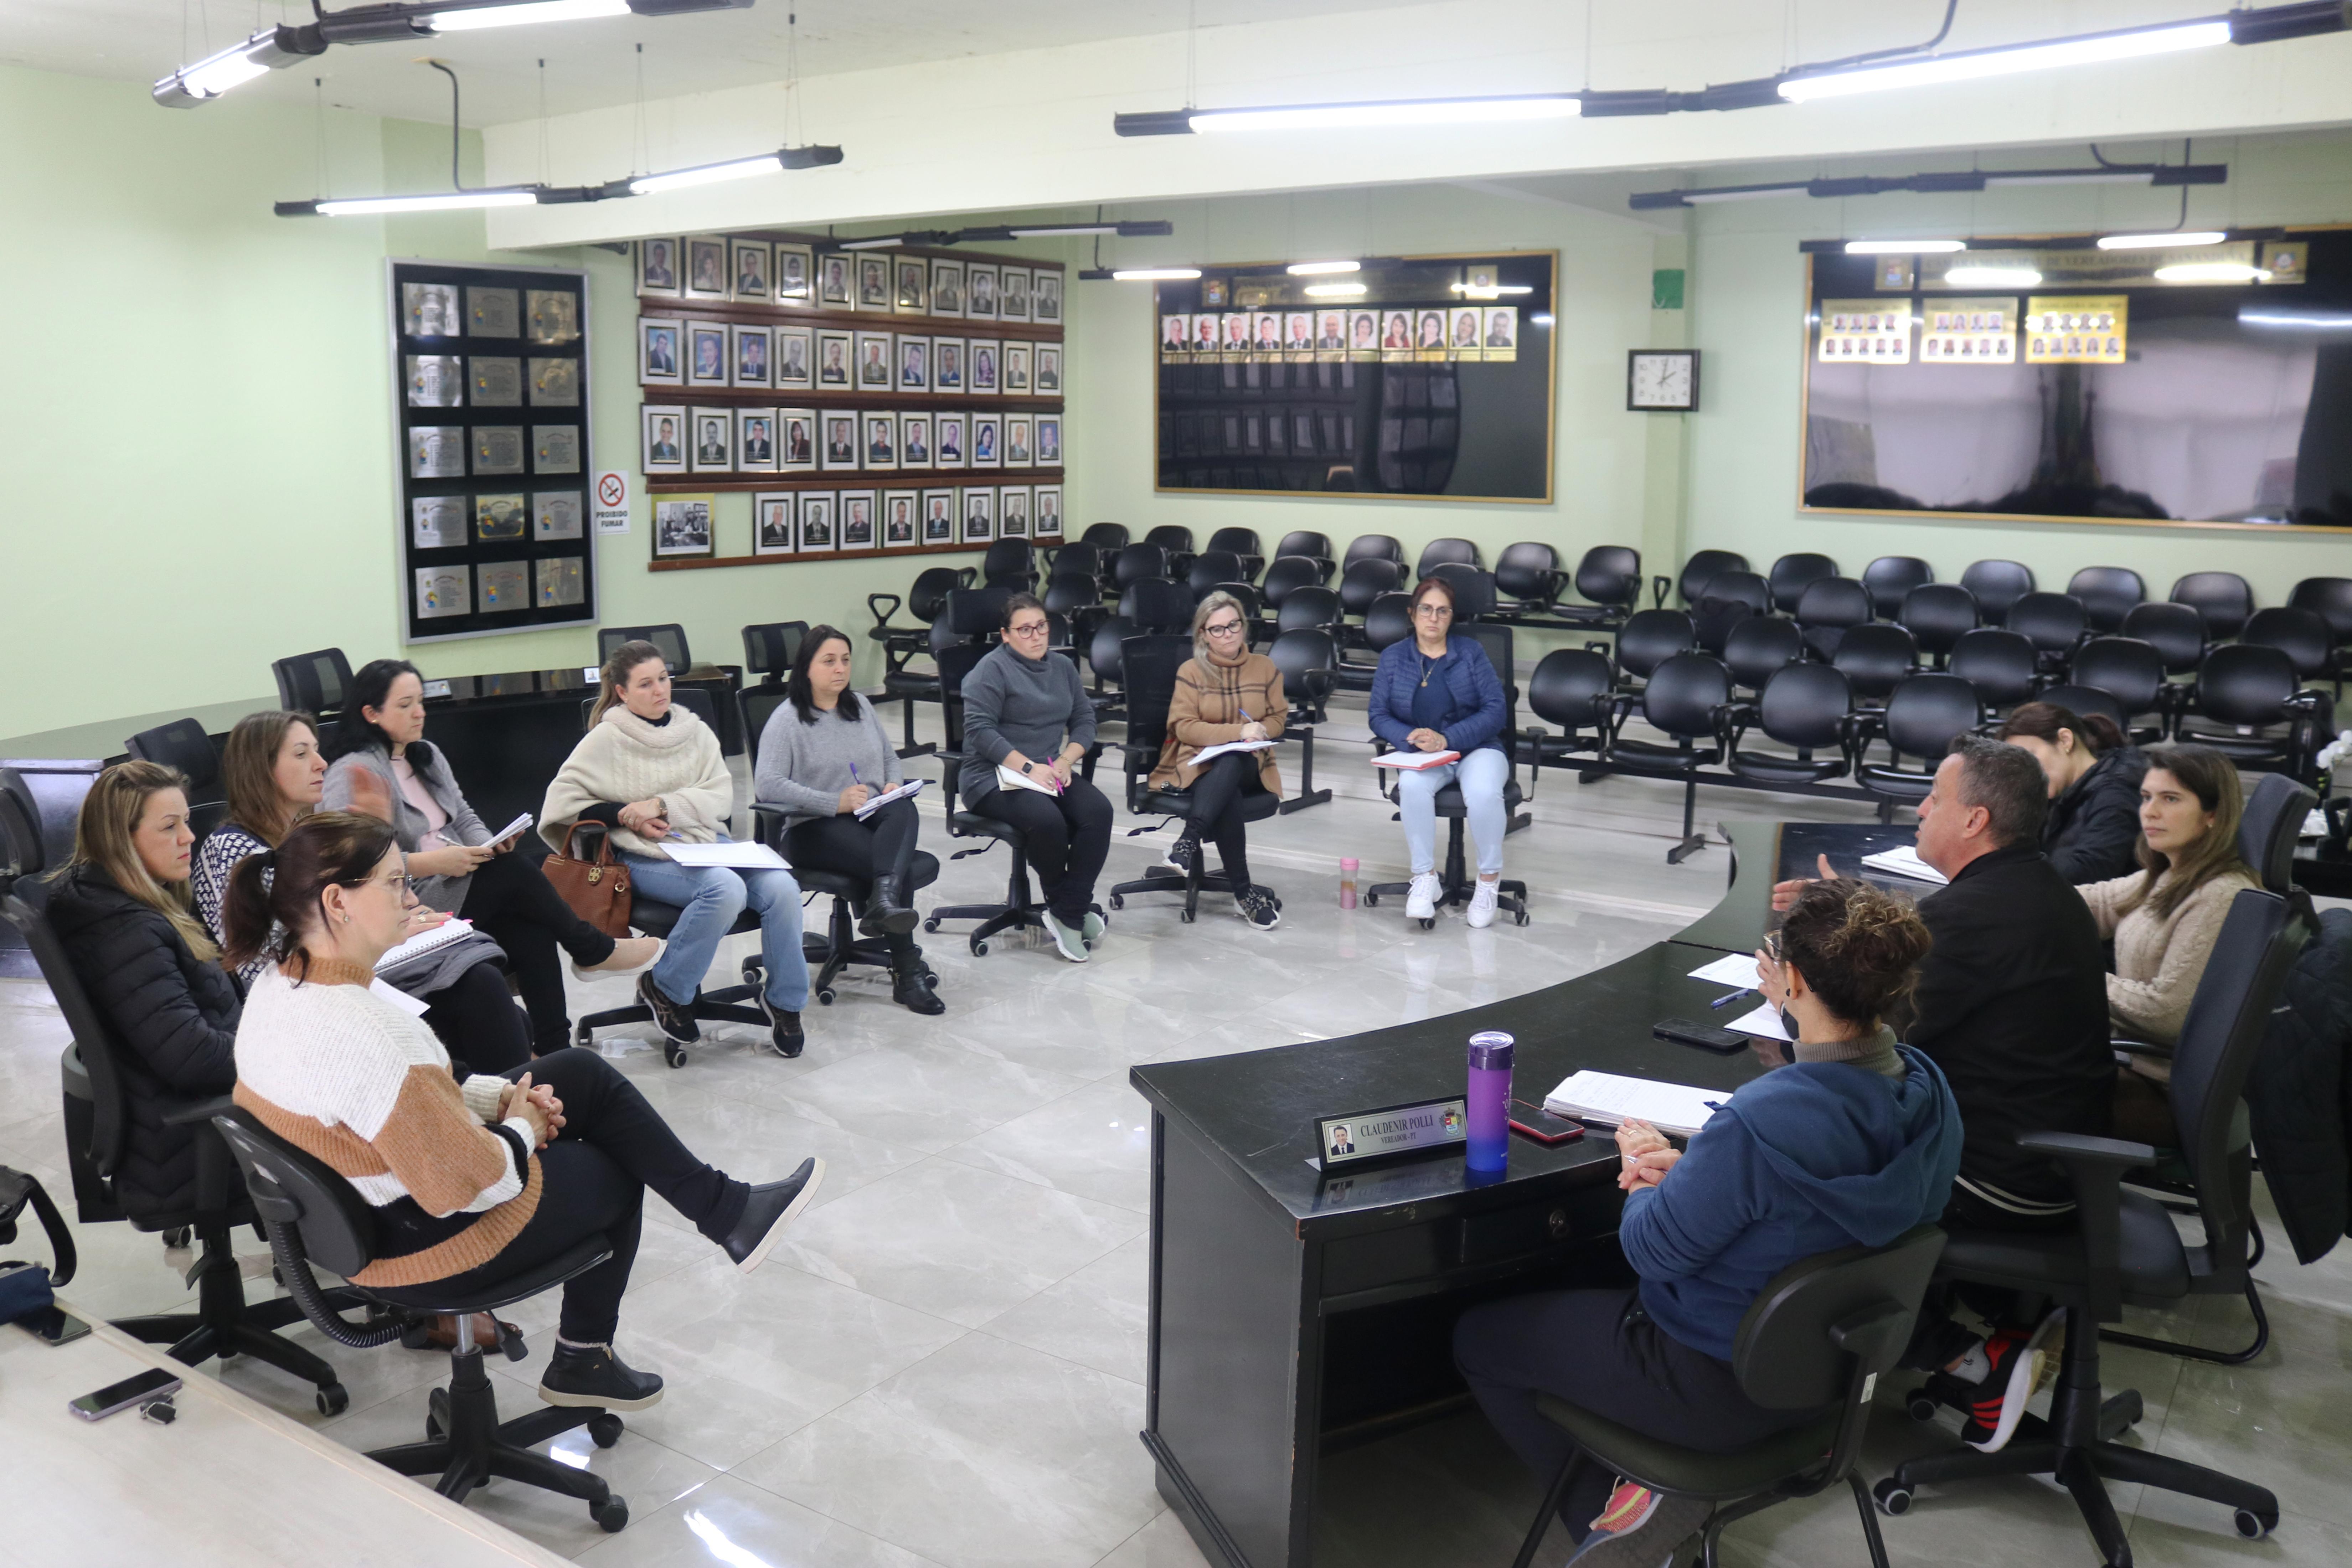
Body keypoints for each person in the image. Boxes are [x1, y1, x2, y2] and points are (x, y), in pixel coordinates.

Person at [224, 811, 822, 1413]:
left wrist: (496, 1099)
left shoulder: (277, 989)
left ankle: (729, 1210)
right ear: (338, 902)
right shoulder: (372, 1030)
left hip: (357, 1223)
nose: (411, 898)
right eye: (395, 883)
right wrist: (522, 1128)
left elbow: (385, 1106)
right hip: (419, 1244)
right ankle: (583, 1357)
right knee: (614, 1167)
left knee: (579, 1073)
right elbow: (467, 1183)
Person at [1456, 879, 1961, 1563]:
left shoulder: (1759, 1122)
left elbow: (1650, 1251)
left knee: (1479, 1338)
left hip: (1710, 1382)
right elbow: (1803, 1203)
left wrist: (1643, 1175)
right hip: (1835, 1381)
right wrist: (1699, 1173)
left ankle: (1620, 1531)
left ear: (1792, 980)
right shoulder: (1932, 1095)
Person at [1771, 737, 2111, 1449]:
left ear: (1975, 820)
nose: (1921, 809)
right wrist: (1846, 916)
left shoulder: (1978, 915)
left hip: (2005, 1175)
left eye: (1935, 798)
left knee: (1800, 1176)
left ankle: (1968, 1358)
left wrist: (1791, 999)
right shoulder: (2034, 888)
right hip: (2054, 1154)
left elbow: (1863, 1041)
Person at [323, 662, 658, 1061]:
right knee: (516, 872)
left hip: (457, 875)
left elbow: (464, 815)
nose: (419, 713)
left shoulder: (425, 755)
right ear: (371, 713)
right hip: (411, 898)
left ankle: (554, 1048)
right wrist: (439, 861)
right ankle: (591, 947)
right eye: (405, 705)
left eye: (421, 702)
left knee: (530, 926)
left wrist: (488, 845)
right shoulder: (354, 772)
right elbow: (357, 866)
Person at [542, 641, 811, 1055]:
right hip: (641, 855)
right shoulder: (607, 738)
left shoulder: (695, 730)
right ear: (622, 691)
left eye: (663, 679)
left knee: (783, 888)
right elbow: (563, 805)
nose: (659, 690)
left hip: (707, 844)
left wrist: (663, 805)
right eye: (645, 684)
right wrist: (627, 814)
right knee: (725, 889)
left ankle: (784, 1001)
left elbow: (721, 797)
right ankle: (666, 986)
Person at [43, 762, 242, 1217]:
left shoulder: (102, 896)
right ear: (121, 839)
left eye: (186, 821)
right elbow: (193, 1059)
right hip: (190, 1143)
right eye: (170, 826)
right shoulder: (125, 930)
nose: (189, 837)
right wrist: (286, 1053)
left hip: (177, 1126)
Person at [753, 627, 944, 1014]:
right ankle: (907, 972)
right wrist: (833, 802)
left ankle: (882, 901)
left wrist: (892, 783)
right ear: (807, 667)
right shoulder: (788, 719)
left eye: (845, 660)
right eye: (829, 661)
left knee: (904, 808)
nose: (840, 669)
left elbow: (889, 757)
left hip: (869, 813)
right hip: (812, 828)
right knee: (897, 865)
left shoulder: (860, 706)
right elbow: (767, 785)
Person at [2076, 746, 2258, 1141]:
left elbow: (2168, 1013)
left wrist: (2077, 975)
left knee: (1997, 1083)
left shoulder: (2219, 894)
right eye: (2146, 797)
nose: (2150, 812)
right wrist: (2018, 894)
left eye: (2170, 799)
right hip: (2129, 1064)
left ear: (2213, 814)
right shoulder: (2170, 874)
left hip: (2158, 1091)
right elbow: (2096, 903)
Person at [959, 593, 1113, 963]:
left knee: (1099, 811)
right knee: (1047, 820)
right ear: (1006, 635)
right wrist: (1029, 768)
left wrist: (1066, 760)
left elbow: (1084, 719)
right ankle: (1069, 911)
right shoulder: (991, 670)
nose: (1036, 636)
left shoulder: (1062, 666)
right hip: (992, 776)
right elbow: (980, 732)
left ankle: (1069, 910)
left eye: (1041, 626)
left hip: (1047, 770)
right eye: (1025, 630)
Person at [1368, 576, 1512, 928]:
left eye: (1443, 611)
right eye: (1426, 609)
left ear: (1451, 617)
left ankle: (1488, 882)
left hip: (1478, 749)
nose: (1433, 618)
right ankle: (1425, 876)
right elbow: (1378, 714)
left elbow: (1496, 710)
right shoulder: (1393, 657)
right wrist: (1410, 737)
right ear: (1412, 613)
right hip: (1423, 755)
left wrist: (1446, 740)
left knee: (1483, 793)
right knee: (1412, 786)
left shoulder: (1471, 653)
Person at [1148, 591, 1285, 929]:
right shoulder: (1192, 671)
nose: (1228, 635)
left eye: (1233, 625)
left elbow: (1278, 718)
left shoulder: (1265, 667)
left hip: (1252, 764)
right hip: (1199, 764)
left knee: (1234, 760)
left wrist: (1259, 730)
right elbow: (1183, 727)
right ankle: (1245, 894)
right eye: (1218, 629)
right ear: (1204, 635)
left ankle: (1188, 840)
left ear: (1244, 626)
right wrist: (1238, 732)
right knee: (1227, 786)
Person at [1997, 701, 2147, 883]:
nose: (2025, 772)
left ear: (2065, 740)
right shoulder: (2059, 791)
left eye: (2030, 757)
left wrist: (2010, 877)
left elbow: (2091, 868)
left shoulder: (2118, 793)